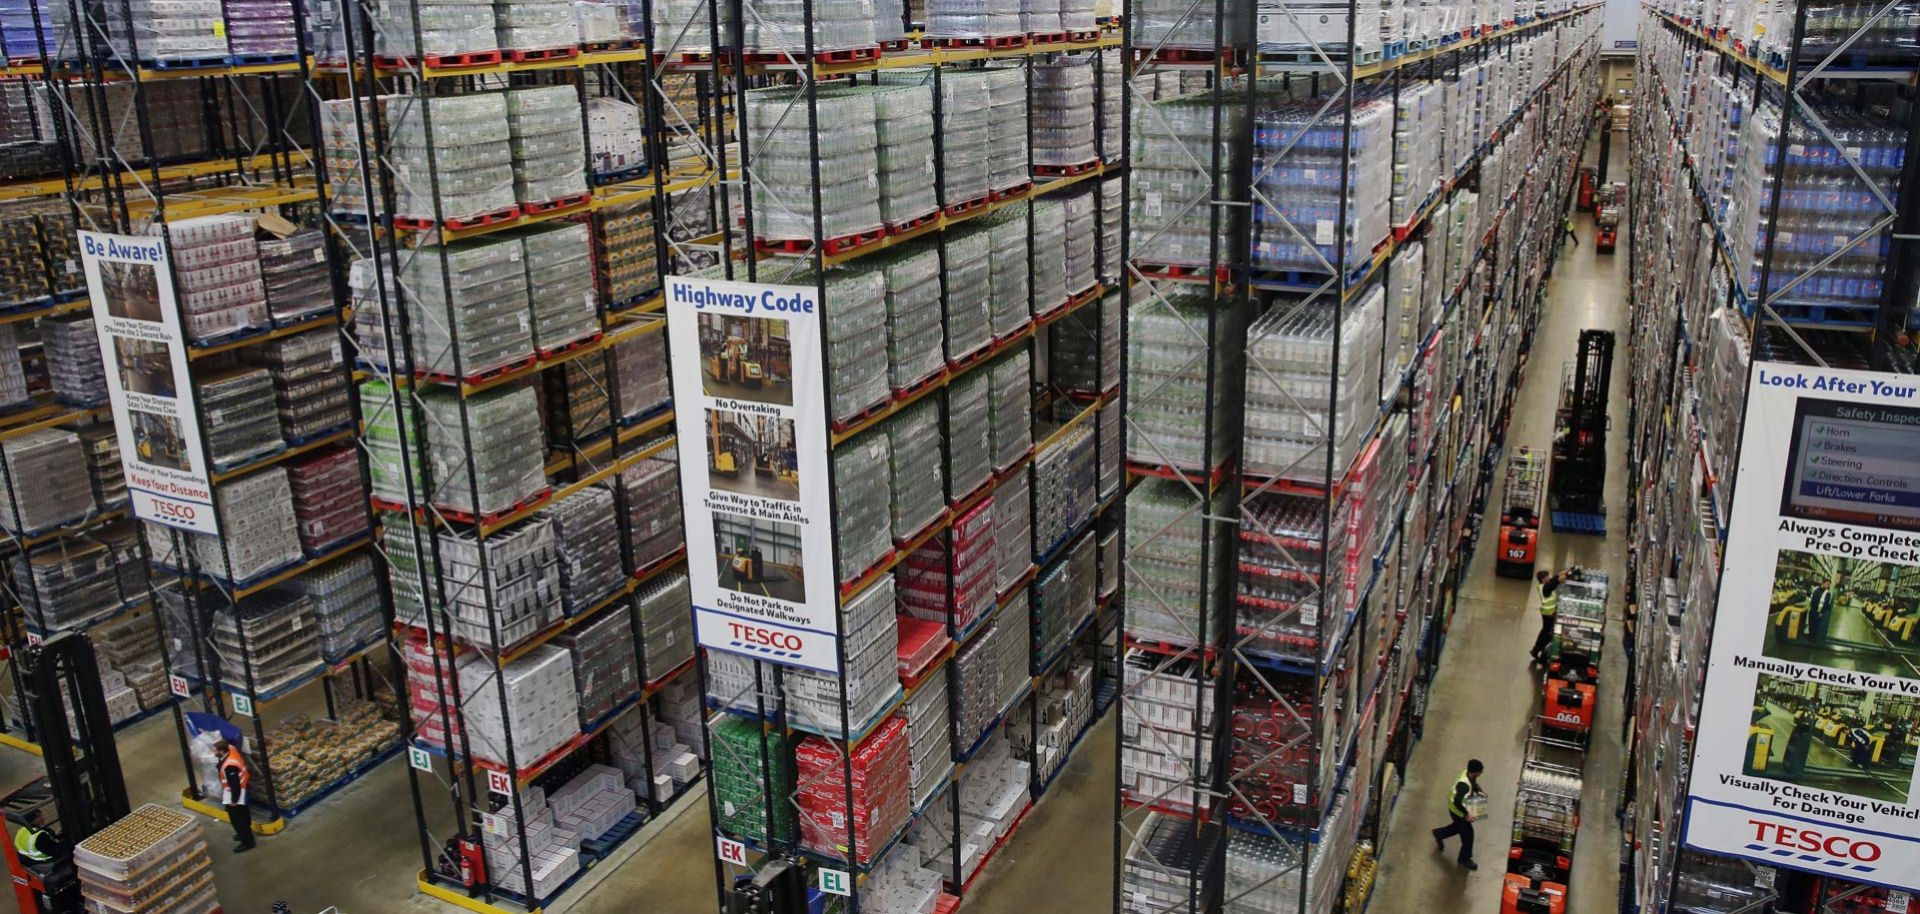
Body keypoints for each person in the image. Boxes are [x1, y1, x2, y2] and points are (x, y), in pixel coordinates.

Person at [1432, 759, 1485, 870]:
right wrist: (1466, 815)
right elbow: (1457, 801)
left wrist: (1477, 789)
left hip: (1457, 808)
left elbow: (1473, 783)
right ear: (1475, 772)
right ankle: (1464, 859)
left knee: (1458, 828)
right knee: (1468, 835)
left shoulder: (1468, 774)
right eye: (1480, 771)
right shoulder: (1463, 785)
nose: (1481, 773)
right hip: (1457, 810)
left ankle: (1439, 833)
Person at [214, 738, 255, 852]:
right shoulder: (230, 749)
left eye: (216, 750)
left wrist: (234, 801)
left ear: (222, 751)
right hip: (239, 789)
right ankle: (245, 834)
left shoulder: (230, 766)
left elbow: (235, 785)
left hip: (237, 792)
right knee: (243, 815)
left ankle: (247, 841)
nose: (214, 753)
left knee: (238, 819)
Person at [1530, 568, 1576, 662]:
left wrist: (1567, 571)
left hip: (1549, 613)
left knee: (1545, 632)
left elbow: (1555, 578)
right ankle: (1542, 654)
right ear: (1543, 579)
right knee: (1548, 634)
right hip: (1548, 614)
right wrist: (1567, 575)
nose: (1549, 577)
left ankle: (1536, 650)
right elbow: (1555, 582)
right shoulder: (1546, 588)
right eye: (1547, 576)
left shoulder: (1546, 584)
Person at [1807, 575, 1839, 645]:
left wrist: (1821, 612)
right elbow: (1811, 597)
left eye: (1829, 585)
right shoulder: (1815, 589)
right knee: (1810, 624)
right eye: (1827, 584)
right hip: (1812, 609)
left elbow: (1826, 604)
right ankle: (1809, 636)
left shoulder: (1827, 593)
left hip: (1818, 612)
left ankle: (1813, 640)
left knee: (1815, 626)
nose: (1828, 586)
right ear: (1823, 583)